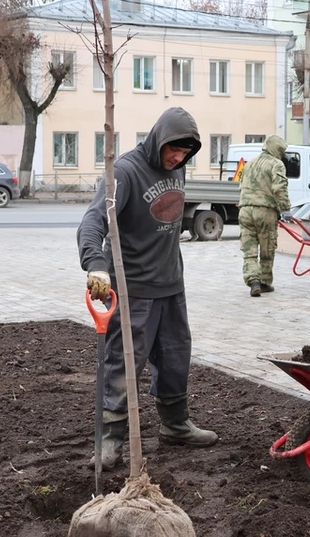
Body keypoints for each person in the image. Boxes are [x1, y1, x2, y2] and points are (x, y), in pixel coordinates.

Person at [77, 107, 218, 471]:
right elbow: (93, 222)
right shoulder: (124, 172)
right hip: (133, 289)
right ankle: (110, 440)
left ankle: (175, 424)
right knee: (122, 366)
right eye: (173, 149)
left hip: (171, 286)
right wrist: (95, 265)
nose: (178, 157)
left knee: (175, 358)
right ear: (159, 139)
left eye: (186, 153)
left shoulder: (178, 167)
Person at [238, 135, 291, 297]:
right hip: (265, 211)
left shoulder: (250, 162)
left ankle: (253, 281)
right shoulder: (276, 164)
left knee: (249, 249)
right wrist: (285, 209)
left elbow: (241, 184)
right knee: (267, 249)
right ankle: (264, 282)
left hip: (245, 210)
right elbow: (279, 188)